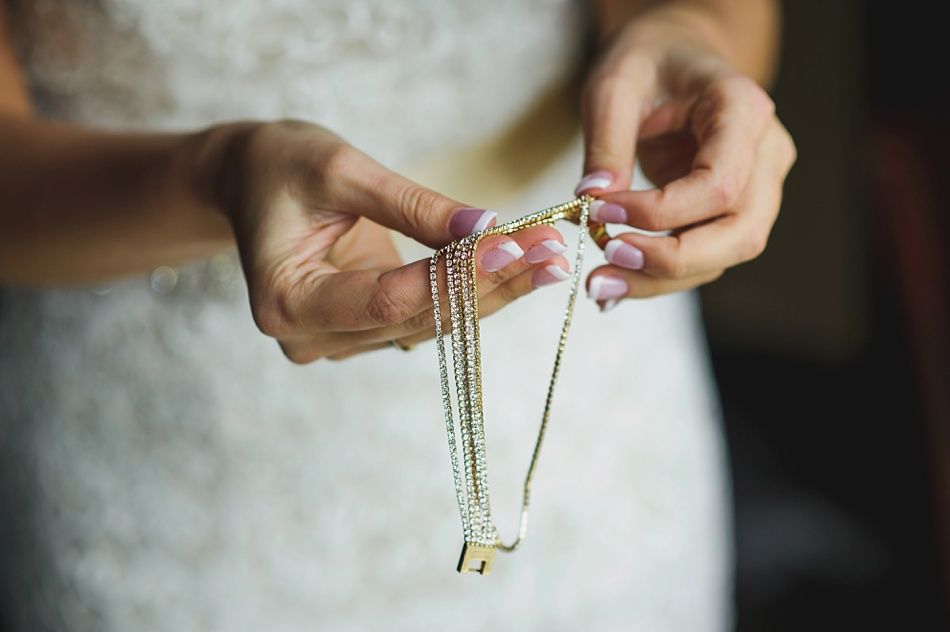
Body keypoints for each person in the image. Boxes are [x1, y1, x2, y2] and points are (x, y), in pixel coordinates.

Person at [0, 0, 795, 630]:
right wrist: (214, 175)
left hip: (593, 421)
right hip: (155, 457)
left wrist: (693, 33)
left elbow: (717, 9)